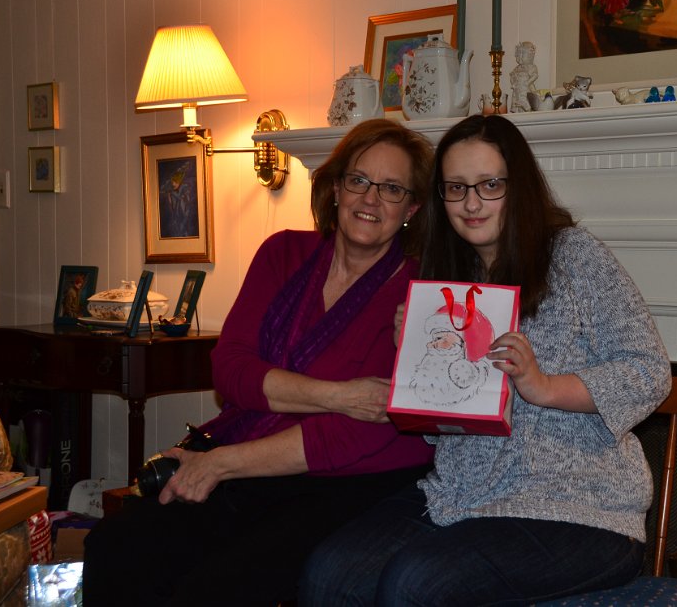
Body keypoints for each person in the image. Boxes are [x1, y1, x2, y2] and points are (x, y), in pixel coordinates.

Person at [300, 113, 671, 605]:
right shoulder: (449, 277)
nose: (471, 203)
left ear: (519, 188)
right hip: (461, 494)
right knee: (329, 574)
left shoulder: (574, 256)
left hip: (580, 507)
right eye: (456, 188)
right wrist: (417, 357)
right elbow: (440, 424)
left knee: (414, 583)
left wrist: (544, 386)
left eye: (489, 185)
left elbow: (648, 372)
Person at [83, 119, 436, 606]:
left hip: (347, 482)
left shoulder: (421, 294)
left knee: (216, 588)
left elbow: (358, 430)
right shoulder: (283, 253)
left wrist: (220, 464)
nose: (370, 199)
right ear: (336, 188)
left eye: (392, 188)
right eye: (359, 180)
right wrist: (339, 395)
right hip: (253, 456)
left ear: (412, 209)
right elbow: (230, 370)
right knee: (116, 544)